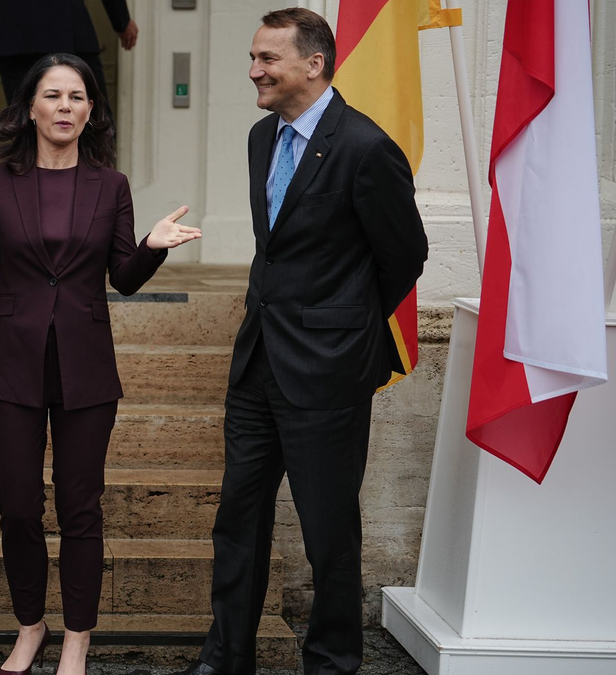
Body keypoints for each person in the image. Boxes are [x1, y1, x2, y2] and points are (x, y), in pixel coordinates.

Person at [0, 52, 200, 675]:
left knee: (80, 506)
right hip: (12, 365)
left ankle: (78, 638)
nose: (65, 107)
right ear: (29, 107)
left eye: (77, 97)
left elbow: (125, 279)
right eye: (53, 96)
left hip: (86, 366)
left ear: (90, 112)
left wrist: (151, 249)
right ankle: (31, 628)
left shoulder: (110, 186)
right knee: (18, 505)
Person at [171, 9, 428, 675]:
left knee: (327, 534)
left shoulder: (366, 148)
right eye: (253, 57)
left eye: (266, 59)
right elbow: (276, 249)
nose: (253, 70)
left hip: (328, 372)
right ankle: (225, 658)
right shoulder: (262, 138)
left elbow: (404, 256)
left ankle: (332, 662)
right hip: (259, 361)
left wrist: (343, 328)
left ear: (313, 64)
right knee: (238, 522)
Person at [0, 0, 138, 105]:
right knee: (94, 131)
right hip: (69, 32)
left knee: (27, 136)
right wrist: (121, 21)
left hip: (13, 38)